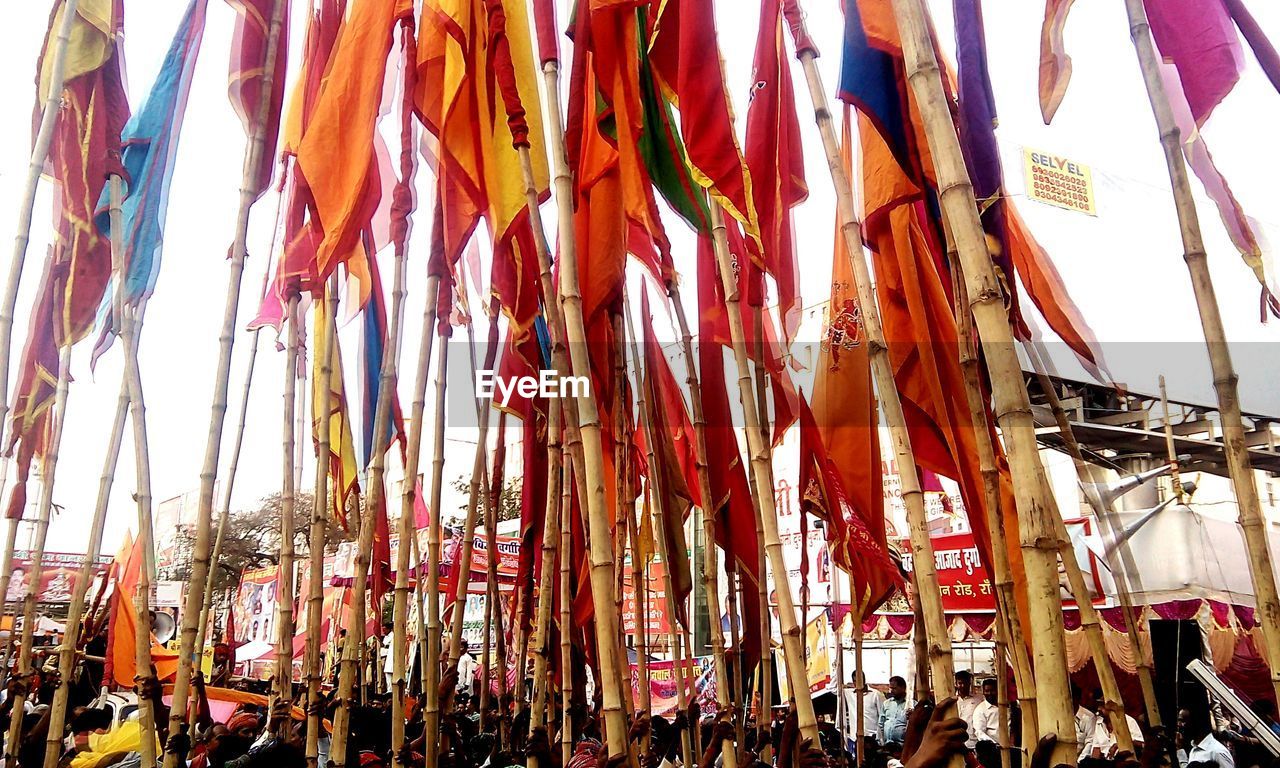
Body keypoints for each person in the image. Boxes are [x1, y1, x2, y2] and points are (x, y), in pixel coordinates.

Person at [1178, 701, 1234, 768]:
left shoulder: (1217, 752)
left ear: (1196, 722)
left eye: (1183, 721)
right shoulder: (1194, 750)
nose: (1179, 725)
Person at [970, 679, 1002, 768]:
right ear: (983, 692)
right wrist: (994, 745)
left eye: (992, 690)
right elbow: (979, 732)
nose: (990, 693)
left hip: (1010, 747)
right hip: (992, 751)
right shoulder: (981, 709)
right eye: (987, 691)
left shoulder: (1006, 705)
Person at [953, 671, 985, 750]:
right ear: (956, 683)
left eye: (965, 683)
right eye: (960, 683)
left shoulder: (979, 700)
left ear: (970, 683)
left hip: (972, 742)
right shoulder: (952, 700)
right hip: (954, 742)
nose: (963, 686)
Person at [880, 676, 911, 745]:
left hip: (902, 746)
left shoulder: (911, 705)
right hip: (887, 745)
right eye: (891, 688)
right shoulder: (886, 703)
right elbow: (881, 724)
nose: (891, 691)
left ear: (903, 688)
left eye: (894, 688)